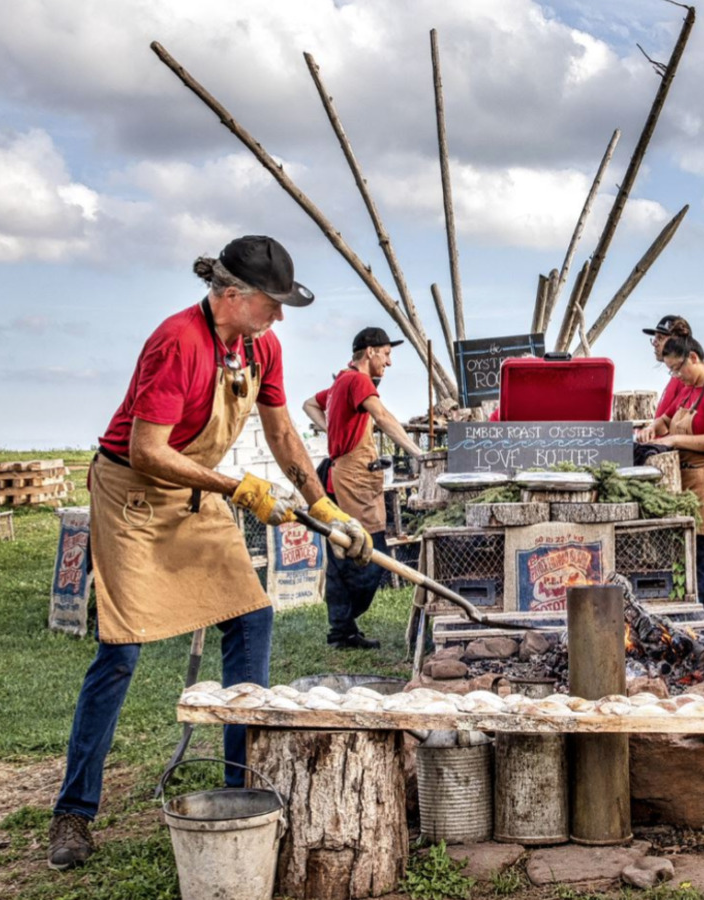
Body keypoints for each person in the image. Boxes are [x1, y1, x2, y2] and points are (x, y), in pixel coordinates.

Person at [47, 236, 373, 870]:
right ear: (232, 296)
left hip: (193, 493)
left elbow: (281, 431)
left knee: (251, 616)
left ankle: (237, 788)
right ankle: (73, 812)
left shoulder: (262, 347)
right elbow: (146, 450)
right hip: (134, 497)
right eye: (271, 303)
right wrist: (240, 487)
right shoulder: (178, 342)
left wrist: (325, 501)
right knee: (121, 649)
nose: (280, 317)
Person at [302, 327, 425, 648]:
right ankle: (343, 623)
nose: (389, 362)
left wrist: (331, 429)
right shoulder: (357, 381)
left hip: (342, 473)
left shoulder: (339, 381)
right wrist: (418, 453)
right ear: (369, 351)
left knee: (342, 548)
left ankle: (341, 630)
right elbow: (382, 417)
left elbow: (308, 404)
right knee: (369, 553)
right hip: (352, 478)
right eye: (386, 354)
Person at [647, 336, 704, 648]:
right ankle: (699, 639)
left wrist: (674, 441)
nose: (677, 376)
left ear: (694, 358)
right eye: (672, 372)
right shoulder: (689, 390)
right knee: (691, 566)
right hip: (687, 484)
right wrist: (653, 429)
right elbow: (667, 420)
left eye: (678, 369)